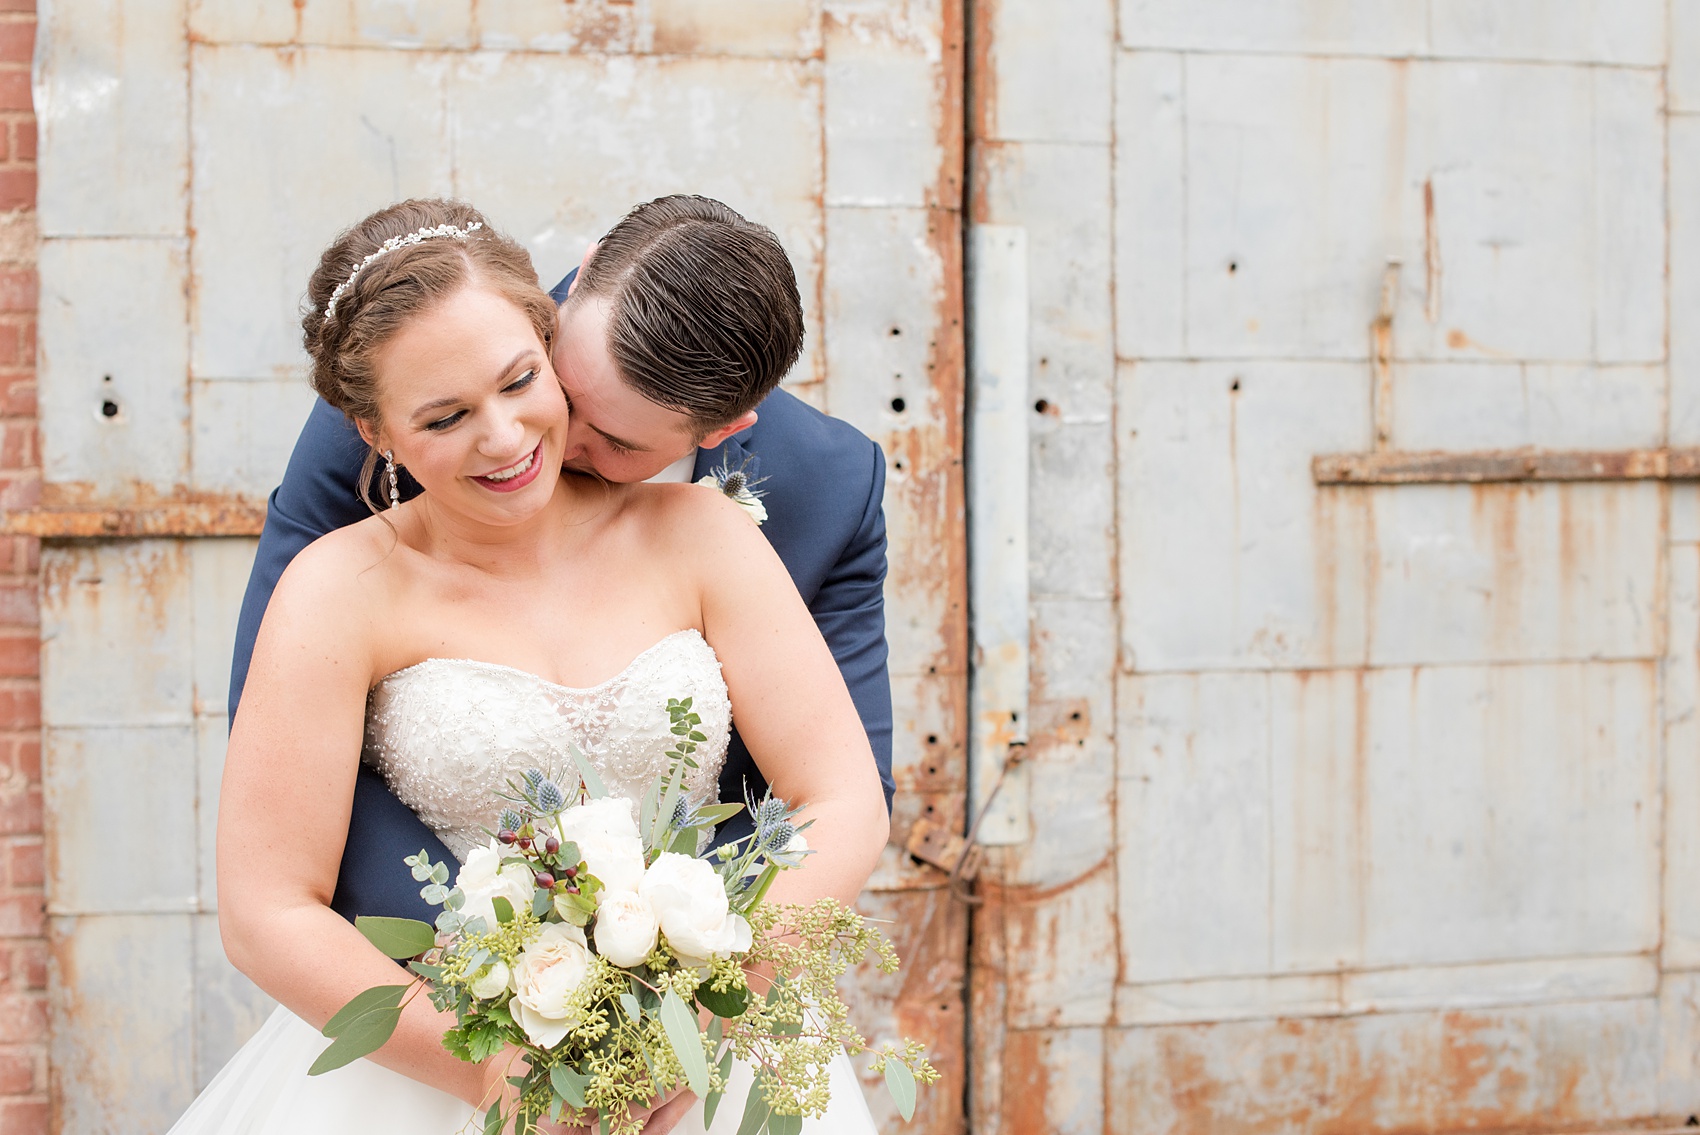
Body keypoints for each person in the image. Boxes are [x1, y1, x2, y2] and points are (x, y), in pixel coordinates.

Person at [170, 200, 889, 1133]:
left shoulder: (706, 532)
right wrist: (489, 1063)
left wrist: (698, 1015)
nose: (508, 439)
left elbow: (845, 796)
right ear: (375, 432)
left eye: (521, 383)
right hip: (438, 1042)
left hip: (702, 1042)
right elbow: (266, 900)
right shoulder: (336, 586)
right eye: (445, 415)